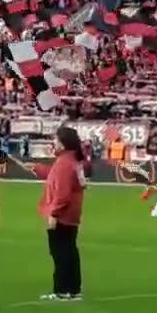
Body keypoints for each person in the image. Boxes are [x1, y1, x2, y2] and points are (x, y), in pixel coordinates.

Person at [38, 126, 88, 301]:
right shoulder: (73, 161)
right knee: (70, 250)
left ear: (63, 143)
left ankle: (62, 289)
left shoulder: (64, 163)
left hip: (64, 214)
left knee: (60, 252)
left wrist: (54, 213)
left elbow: (63, 193)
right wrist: (38, 169)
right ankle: (73, 288)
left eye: (56, 140)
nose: (54, 143)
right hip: (72, 214)